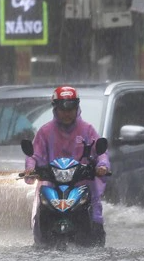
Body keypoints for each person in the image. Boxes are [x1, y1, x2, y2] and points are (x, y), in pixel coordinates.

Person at [24, 86, 110, 246]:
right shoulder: (44, 132)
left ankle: (95, 236)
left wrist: (102, 166)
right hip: (52, 186)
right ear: (55, 108)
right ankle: (41, 239)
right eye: (63, 108)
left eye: (71, 108)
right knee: (41, 212)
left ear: (77, 107)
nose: (67, 112)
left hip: (82, 185)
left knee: (95, 211)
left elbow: (101, 152)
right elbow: (34, 155)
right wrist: (30, 168)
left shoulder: (87, 130)